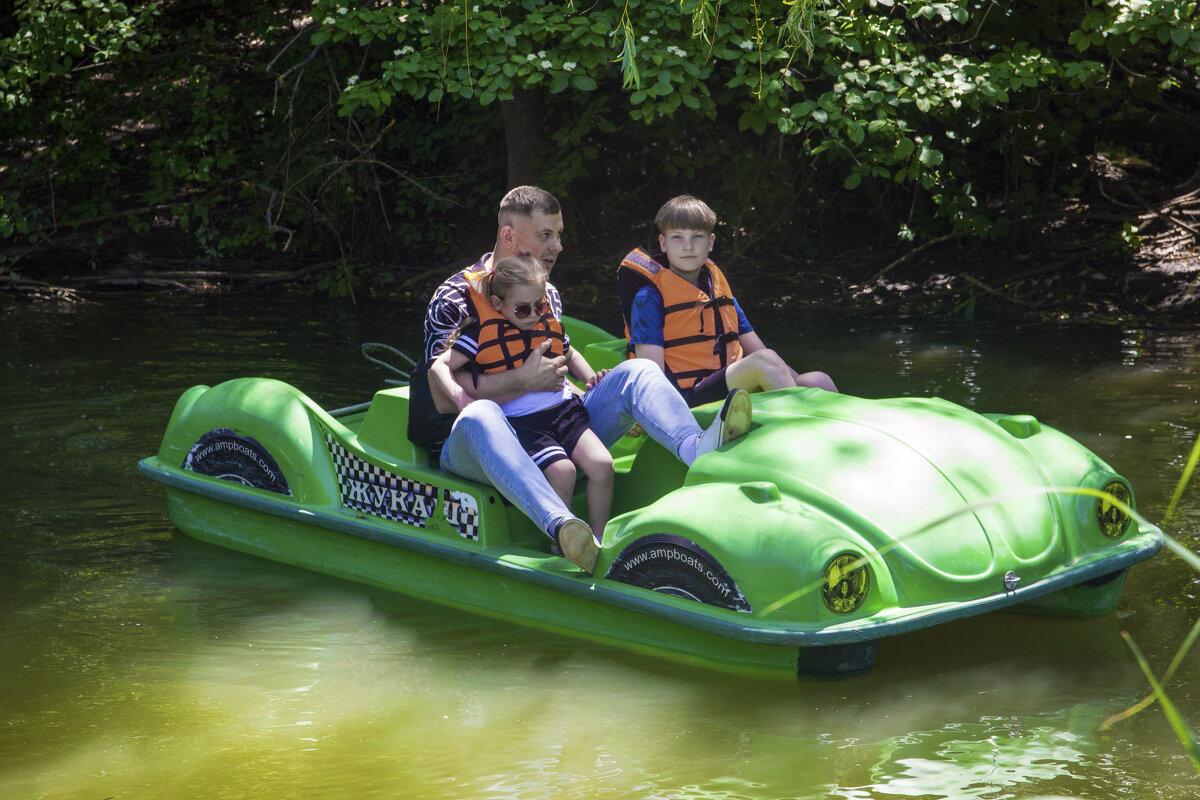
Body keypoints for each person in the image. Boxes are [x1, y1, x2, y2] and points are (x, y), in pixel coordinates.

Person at [410, 185, 752, 574]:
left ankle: (696, 448)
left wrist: (585, 386)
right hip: (479, 440)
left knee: (638, 371)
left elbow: (557, 364)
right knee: (482, 414)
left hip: (550, 424)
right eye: (546, 236)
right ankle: (564, 529)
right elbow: (439, 397)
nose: (558, 246)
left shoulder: (547, 293)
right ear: (509, 236)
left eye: (559, 235)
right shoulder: (454, 297)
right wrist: (521, 380)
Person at [427, 254, 615, 548]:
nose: (534, 315)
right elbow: (439, 365)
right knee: (563, 472)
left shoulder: (546, 322)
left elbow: (569, 352)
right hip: (525, 423)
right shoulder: (479, 334)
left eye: (540, 305)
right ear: (499, 304)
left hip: (565, 412)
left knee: (603, 464)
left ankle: (599, 539)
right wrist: (462, 398)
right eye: (524, 309)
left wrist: (590, 380)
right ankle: (561, 545)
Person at [618, 194, 837, 408]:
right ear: (663, 243)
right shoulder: (649, 298)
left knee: (818, 381)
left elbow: (757, 349)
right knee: (766, 361)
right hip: (686, 399)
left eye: (697, 236)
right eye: (677, 237)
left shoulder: (720, 293)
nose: (688, 246)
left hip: (731, 383)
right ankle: (799, 434)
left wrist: (800, 386)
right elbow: (651, 376)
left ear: (710, 242)